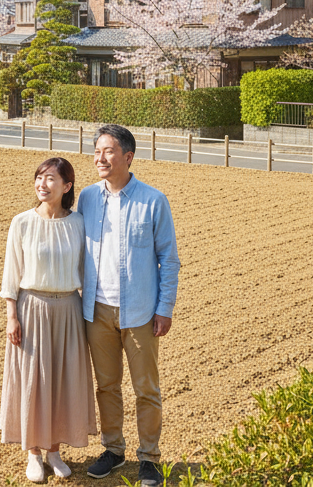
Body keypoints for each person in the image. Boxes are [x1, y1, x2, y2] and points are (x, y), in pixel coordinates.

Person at [80, 124, 179, 486]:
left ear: (128, 156)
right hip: (97, 310)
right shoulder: (87, 198)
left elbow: (169, 259)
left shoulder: (153, 200)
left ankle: (149, 457)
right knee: (106, 386)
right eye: (96, 151)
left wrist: (164, 308)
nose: (99, 158)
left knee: (146, 389)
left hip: (140, 312)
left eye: (107, 151)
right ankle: (114, 449)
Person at [0, 156, 98, 483]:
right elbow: (11, 274)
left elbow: (88, 271)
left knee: (62, 381)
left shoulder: (79, 223)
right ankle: (33, 453)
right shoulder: (22, 222)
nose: (43, 184)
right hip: (31, 309)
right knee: (33, 381)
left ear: (67, 186)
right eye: (39, 177)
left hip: (69, 309)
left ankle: (54, 451)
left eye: (51, 178)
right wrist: (12, 316)